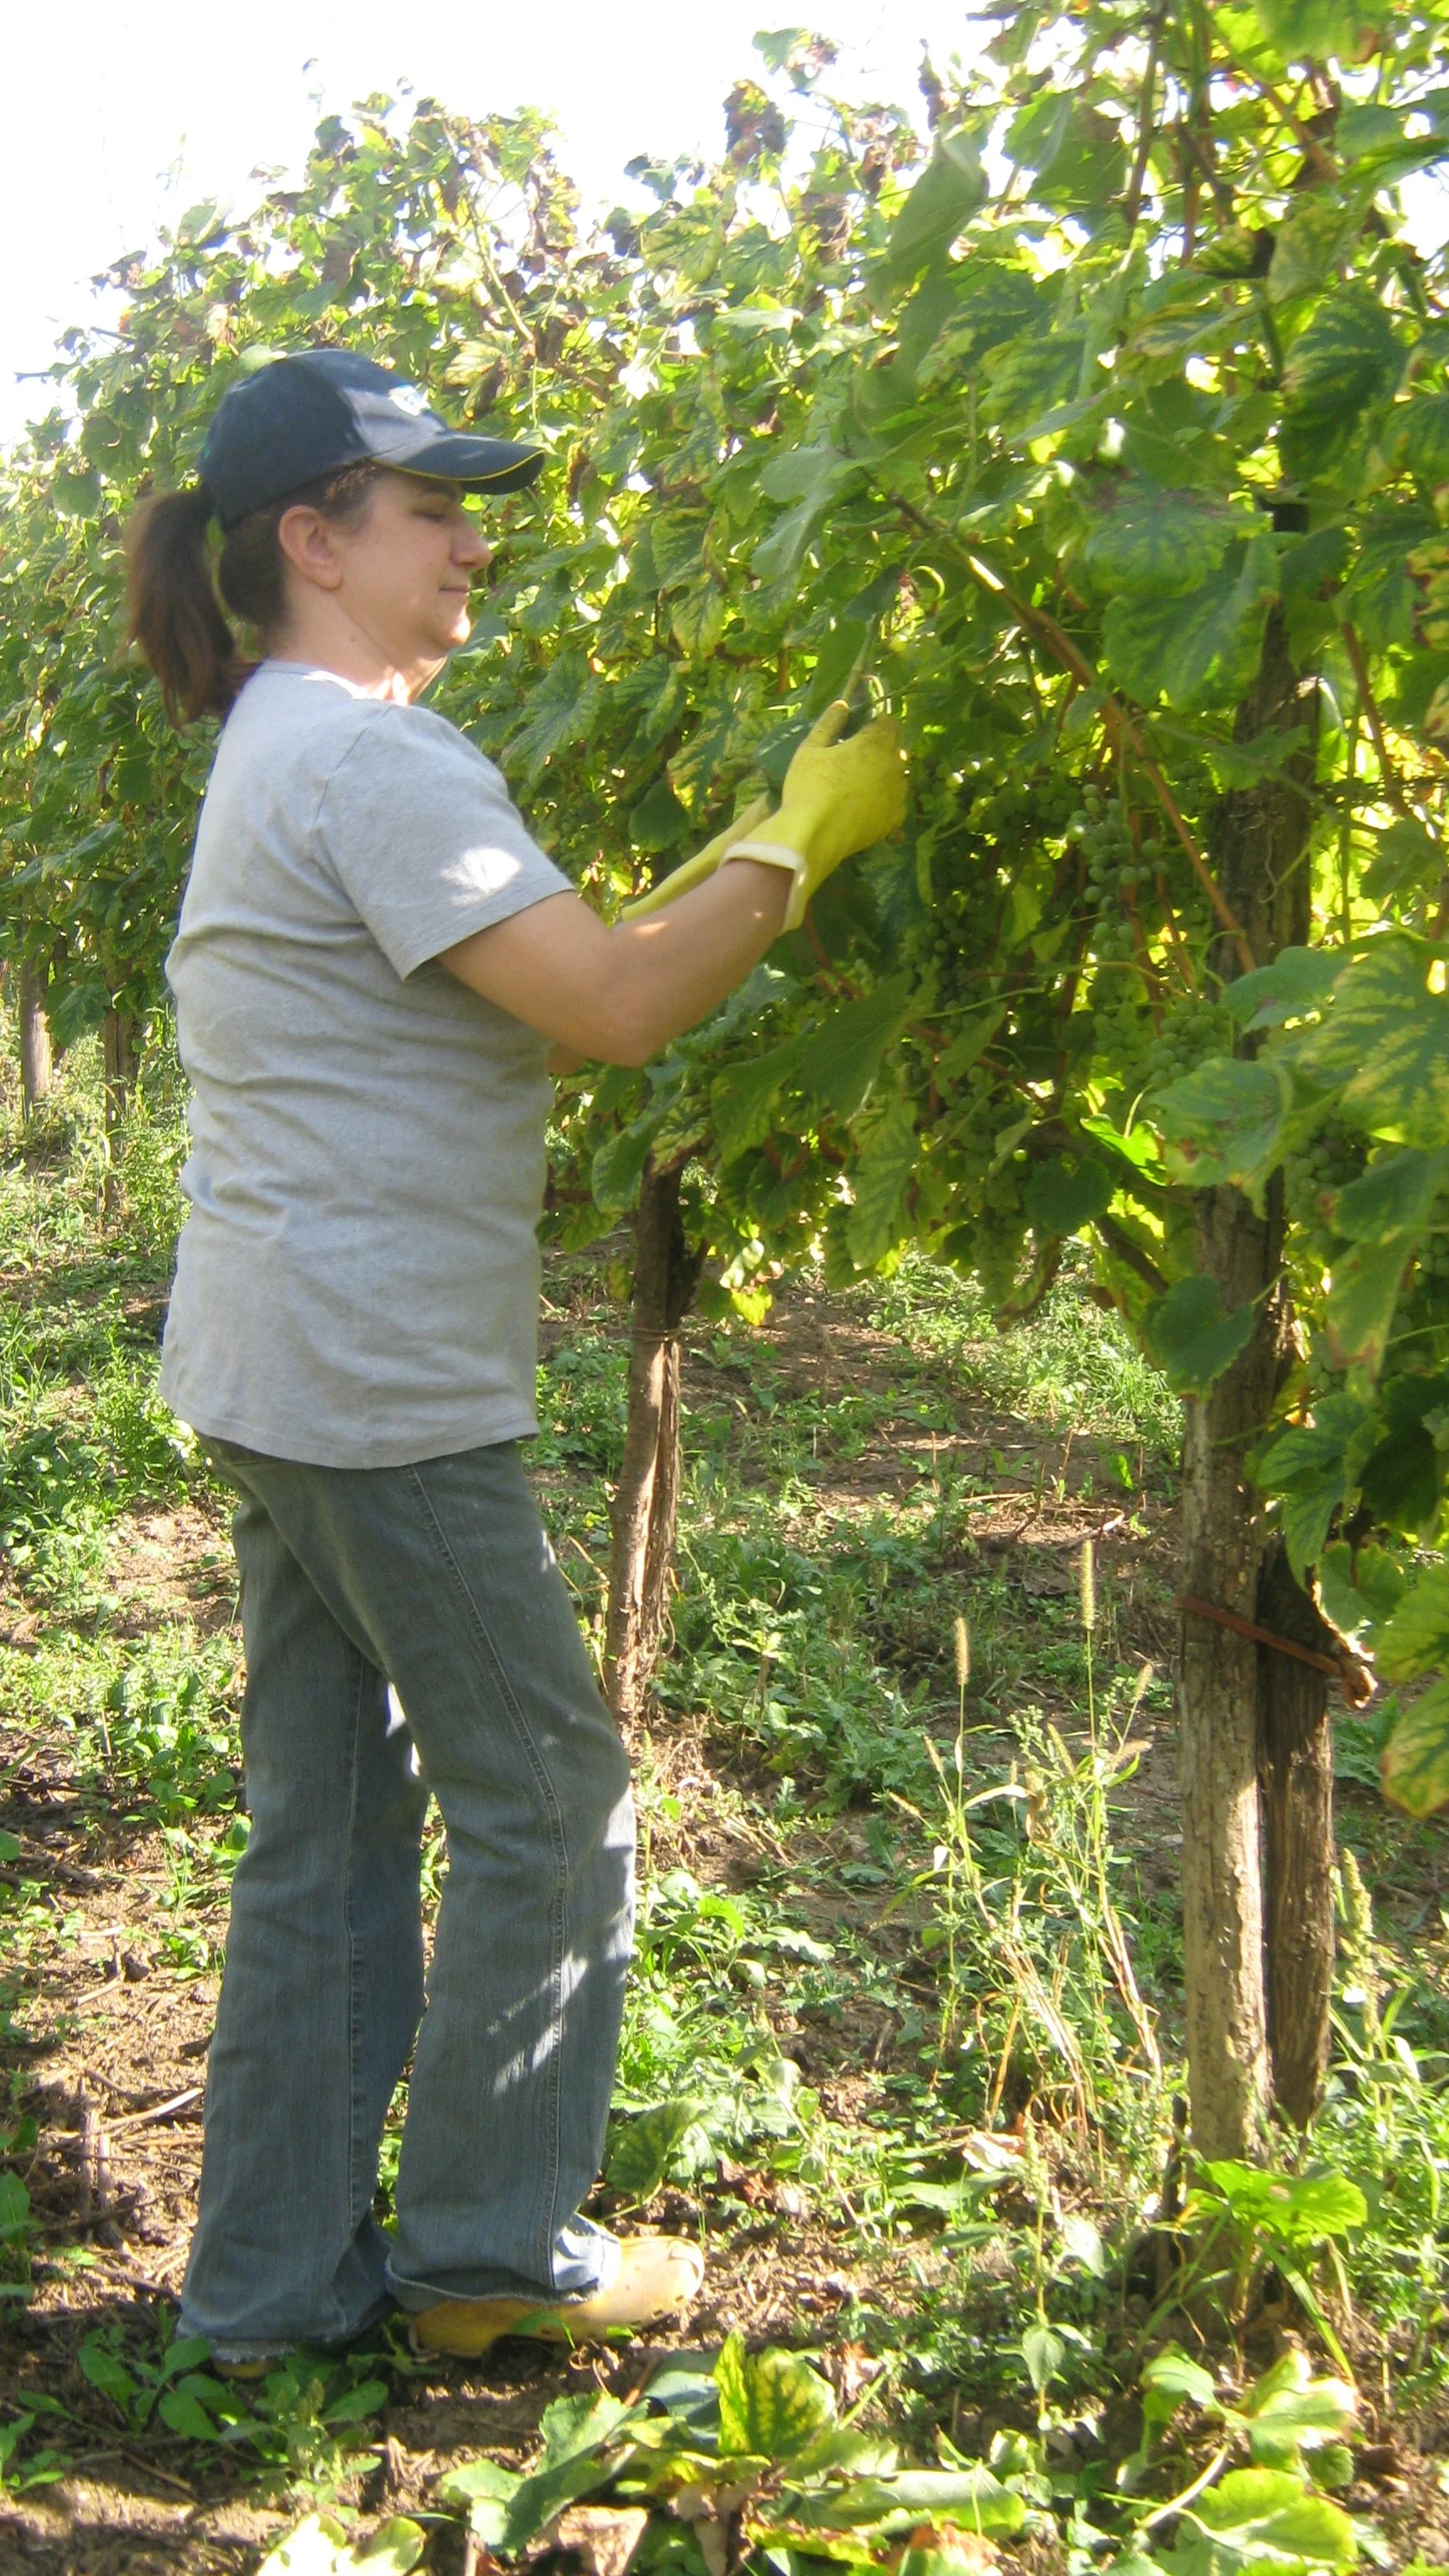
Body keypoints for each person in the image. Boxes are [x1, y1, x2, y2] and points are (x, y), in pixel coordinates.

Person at [123, 346, 906, 2369]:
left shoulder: (293, 739)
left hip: (279, 1361)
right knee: (549, 1794)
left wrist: (729, 863)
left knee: (327, 1833)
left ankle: (267, 2292)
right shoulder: (370, 757)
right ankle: (484, 2252)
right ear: (315, 539)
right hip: (377, 1388)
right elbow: (621, 1006)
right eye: (432, 506)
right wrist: (798, 842)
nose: (476, 541)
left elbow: (544, 965)